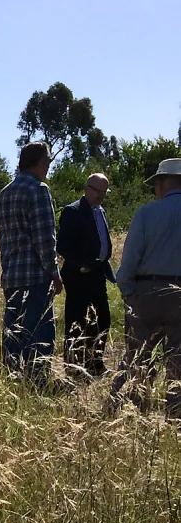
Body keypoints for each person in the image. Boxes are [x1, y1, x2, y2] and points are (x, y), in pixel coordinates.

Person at [110, 158, 181, 417]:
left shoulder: (147, 213)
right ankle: (174, 416)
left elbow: (129, 260)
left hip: (146, 292)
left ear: (161, 184)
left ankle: (128, 409)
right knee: (178, 361)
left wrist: (128, 292)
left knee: (136, 356)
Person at [0, 141, 63, 383]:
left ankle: (12, 381)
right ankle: (37, 384)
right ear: (41, 163)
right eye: (48, 163)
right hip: (35, 278)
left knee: (13, 335)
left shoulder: (4, 193)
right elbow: (45, 238)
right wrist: (55, 273)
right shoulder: (38, 190)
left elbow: (3, 240)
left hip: (12, 278)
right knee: (39, 335)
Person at [56, 172, 114, 375]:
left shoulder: (100, 211)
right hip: (79, 275)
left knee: (103, 319)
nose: (101, 195)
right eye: (98, 191)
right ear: (87, 188)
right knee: (76, 321)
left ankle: (95, 363)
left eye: (104, 192)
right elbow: (63, 245)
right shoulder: (73, 211)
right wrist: (81, 263)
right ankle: (73, 367)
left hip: (97, 273)